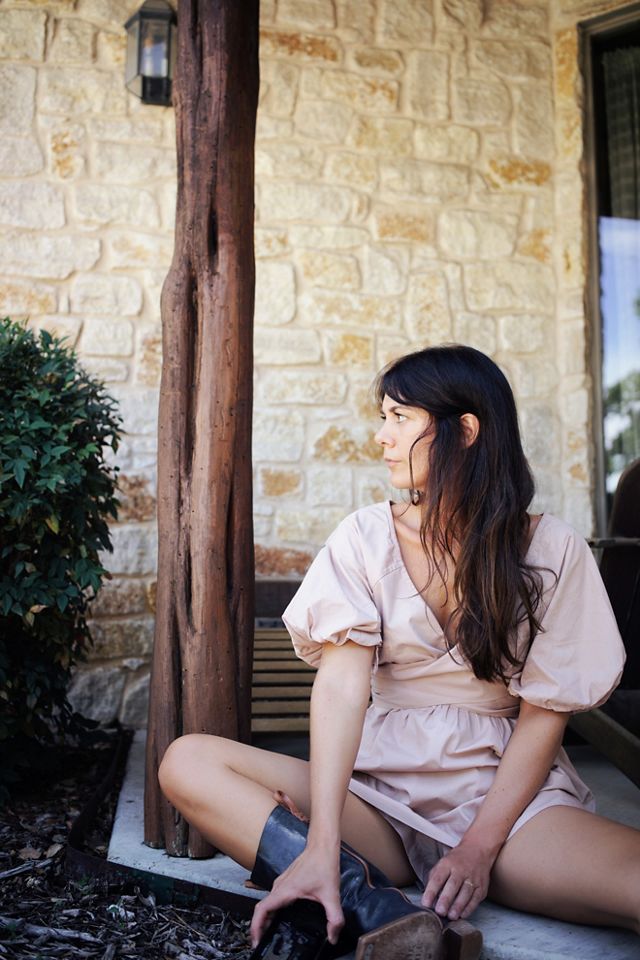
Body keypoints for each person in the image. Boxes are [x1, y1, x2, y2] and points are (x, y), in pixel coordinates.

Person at [158, 345, 639, 958]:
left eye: (399, 418)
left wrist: (478, 848)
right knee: (188, 761)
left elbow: (546, 711)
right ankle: (379, 912)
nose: (381, 437)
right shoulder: (364, 537)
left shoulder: (550, 548)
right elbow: (341, 687)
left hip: (507, 806)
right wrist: (322, 841)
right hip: (378, 802)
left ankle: (379, 905)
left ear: (465, 431)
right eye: (382, 416)